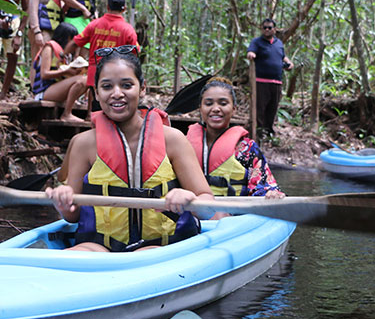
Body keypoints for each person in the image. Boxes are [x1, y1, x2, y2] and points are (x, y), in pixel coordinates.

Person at [45, 48, 214, 252]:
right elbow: (73, 215)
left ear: (142, 88)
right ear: (97, 92)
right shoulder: (83, 143)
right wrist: (63, 204)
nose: (117, 93)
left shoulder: (173, 139)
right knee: (72, 257)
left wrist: (191, 200)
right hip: (100, 246)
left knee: (144, 255)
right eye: (107, 87)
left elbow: (207, 208)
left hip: (162, 246)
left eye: (127, 85)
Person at [187, 78, 285, 198]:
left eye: (223, 103)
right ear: (200, 108)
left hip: (234, 213)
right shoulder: (184, 145)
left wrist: (271, 193)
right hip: (194, 212)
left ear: (234, 109)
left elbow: (264, 186)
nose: (216, 108)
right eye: (208, 104)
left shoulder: (247, 148)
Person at [64, 0, 139, 90]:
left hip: (95, 73)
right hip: (117, 75)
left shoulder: (94, 24)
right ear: (124, 9)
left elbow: (75, 43)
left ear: (108, 7)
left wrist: (62, 57)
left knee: (94, 101)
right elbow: (135, 52)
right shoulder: (128, 30)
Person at [246, 18, 293, 138]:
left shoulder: (279, 43)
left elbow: (283, 57)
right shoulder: (257, 42)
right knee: (260, 107)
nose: (267, 30)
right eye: (264, 28)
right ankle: (260, 132)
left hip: (276, 81)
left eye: (269, 27)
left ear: (274, 29)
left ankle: (269, 130)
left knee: (273, 107)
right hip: (261, 81)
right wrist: (251, 54)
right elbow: (251, 51)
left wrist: (289, 63)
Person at [31, 22, 87, 122]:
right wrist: (66, 72)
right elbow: (44, 74)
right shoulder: (49, 48)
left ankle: (87, 114)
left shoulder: (65, 54)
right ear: (67, 38)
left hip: (55, 89)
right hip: (44, 91)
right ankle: (67, 114)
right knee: (82, 81)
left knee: (88, 79)